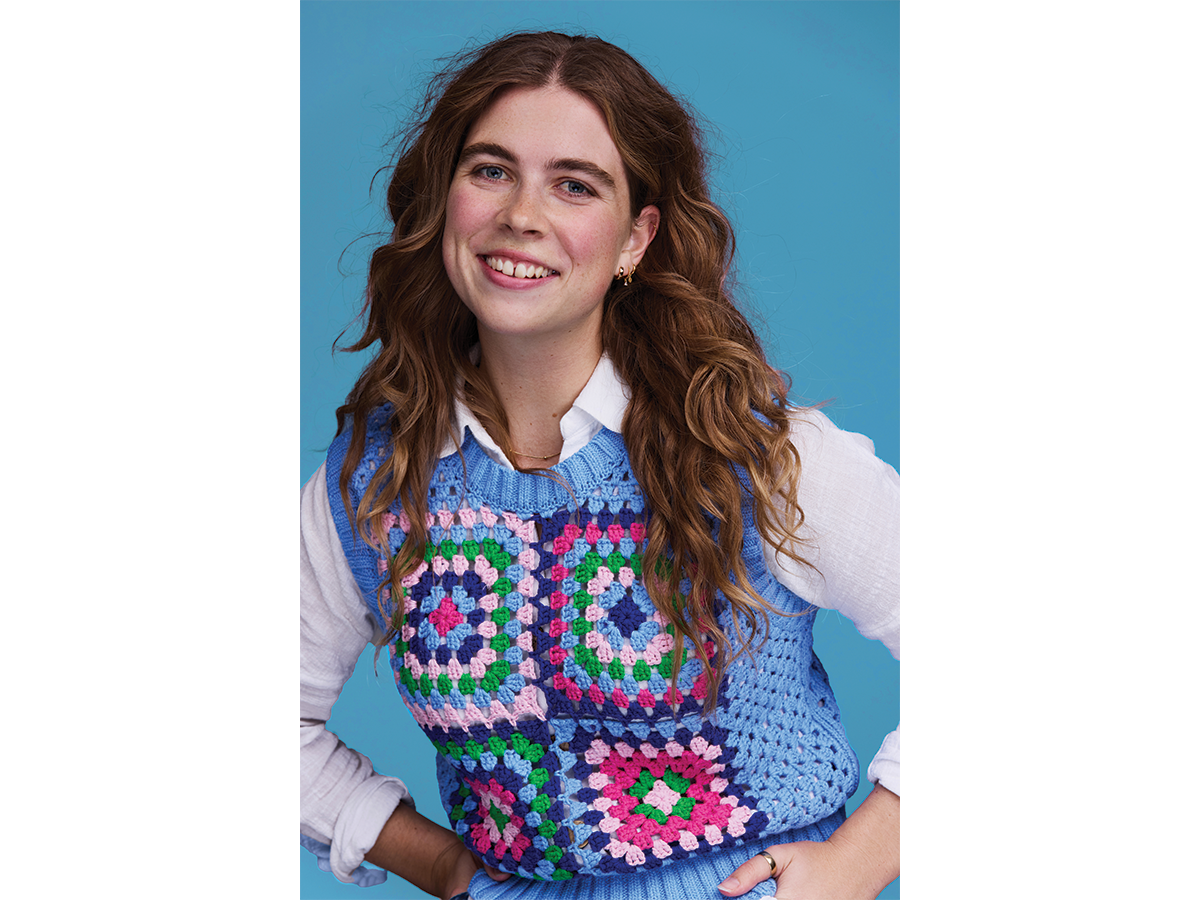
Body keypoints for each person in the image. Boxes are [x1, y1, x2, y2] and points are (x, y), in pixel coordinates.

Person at [301, 30, 899, 900]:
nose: (523, 215)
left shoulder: (753, 453)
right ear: (445, 201)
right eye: (491, 170)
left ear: (635, 237)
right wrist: (438, 864)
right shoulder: (377, 481)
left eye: (574, 185)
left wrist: (854, 865)